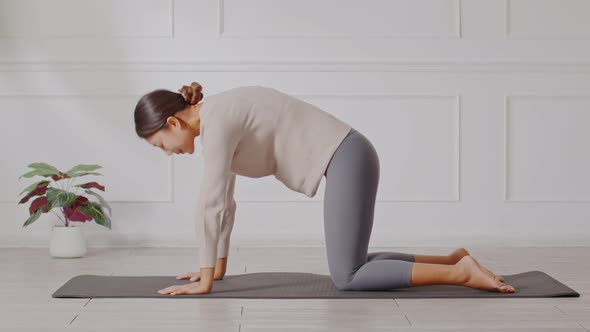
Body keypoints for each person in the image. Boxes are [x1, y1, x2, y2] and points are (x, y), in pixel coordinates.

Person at [133, 82, 517, 295]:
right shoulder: (217, 117)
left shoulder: (217, 122)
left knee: (347, 277)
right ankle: (452, 260)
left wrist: (203, 279)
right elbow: (225, 204)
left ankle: (462, 275)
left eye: (160, 145)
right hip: (351, 156)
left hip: (347, 157)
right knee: (356, 263)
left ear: (172, 123)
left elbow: (210, 205)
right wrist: (215, 270)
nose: (166, 153)